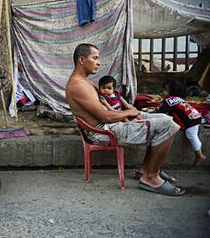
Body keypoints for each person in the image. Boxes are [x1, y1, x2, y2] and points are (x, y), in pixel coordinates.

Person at [65, 43, 184, 196]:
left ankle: (145, 169)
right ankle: (150, 177)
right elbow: (106, 117)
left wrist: (130, 113)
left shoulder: (86, 81)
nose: (99, 62)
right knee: (167, 125)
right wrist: (129, 112)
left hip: (112, 122)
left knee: (166, 118)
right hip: (104, 131)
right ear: (82, 60)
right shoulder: (77, 85)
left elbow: (108, 106)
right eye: (95, 58)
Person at [157, 80, 206, 166]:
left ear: (172, 91)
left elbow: (158, 110)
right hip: (195, 116)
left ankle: (199, 155)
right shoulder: (179, 99)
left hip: (190, 120)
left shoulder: (169, 101)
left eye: (165, 90)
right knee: (192, 133)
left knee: (191, 134)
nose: (163, 92)